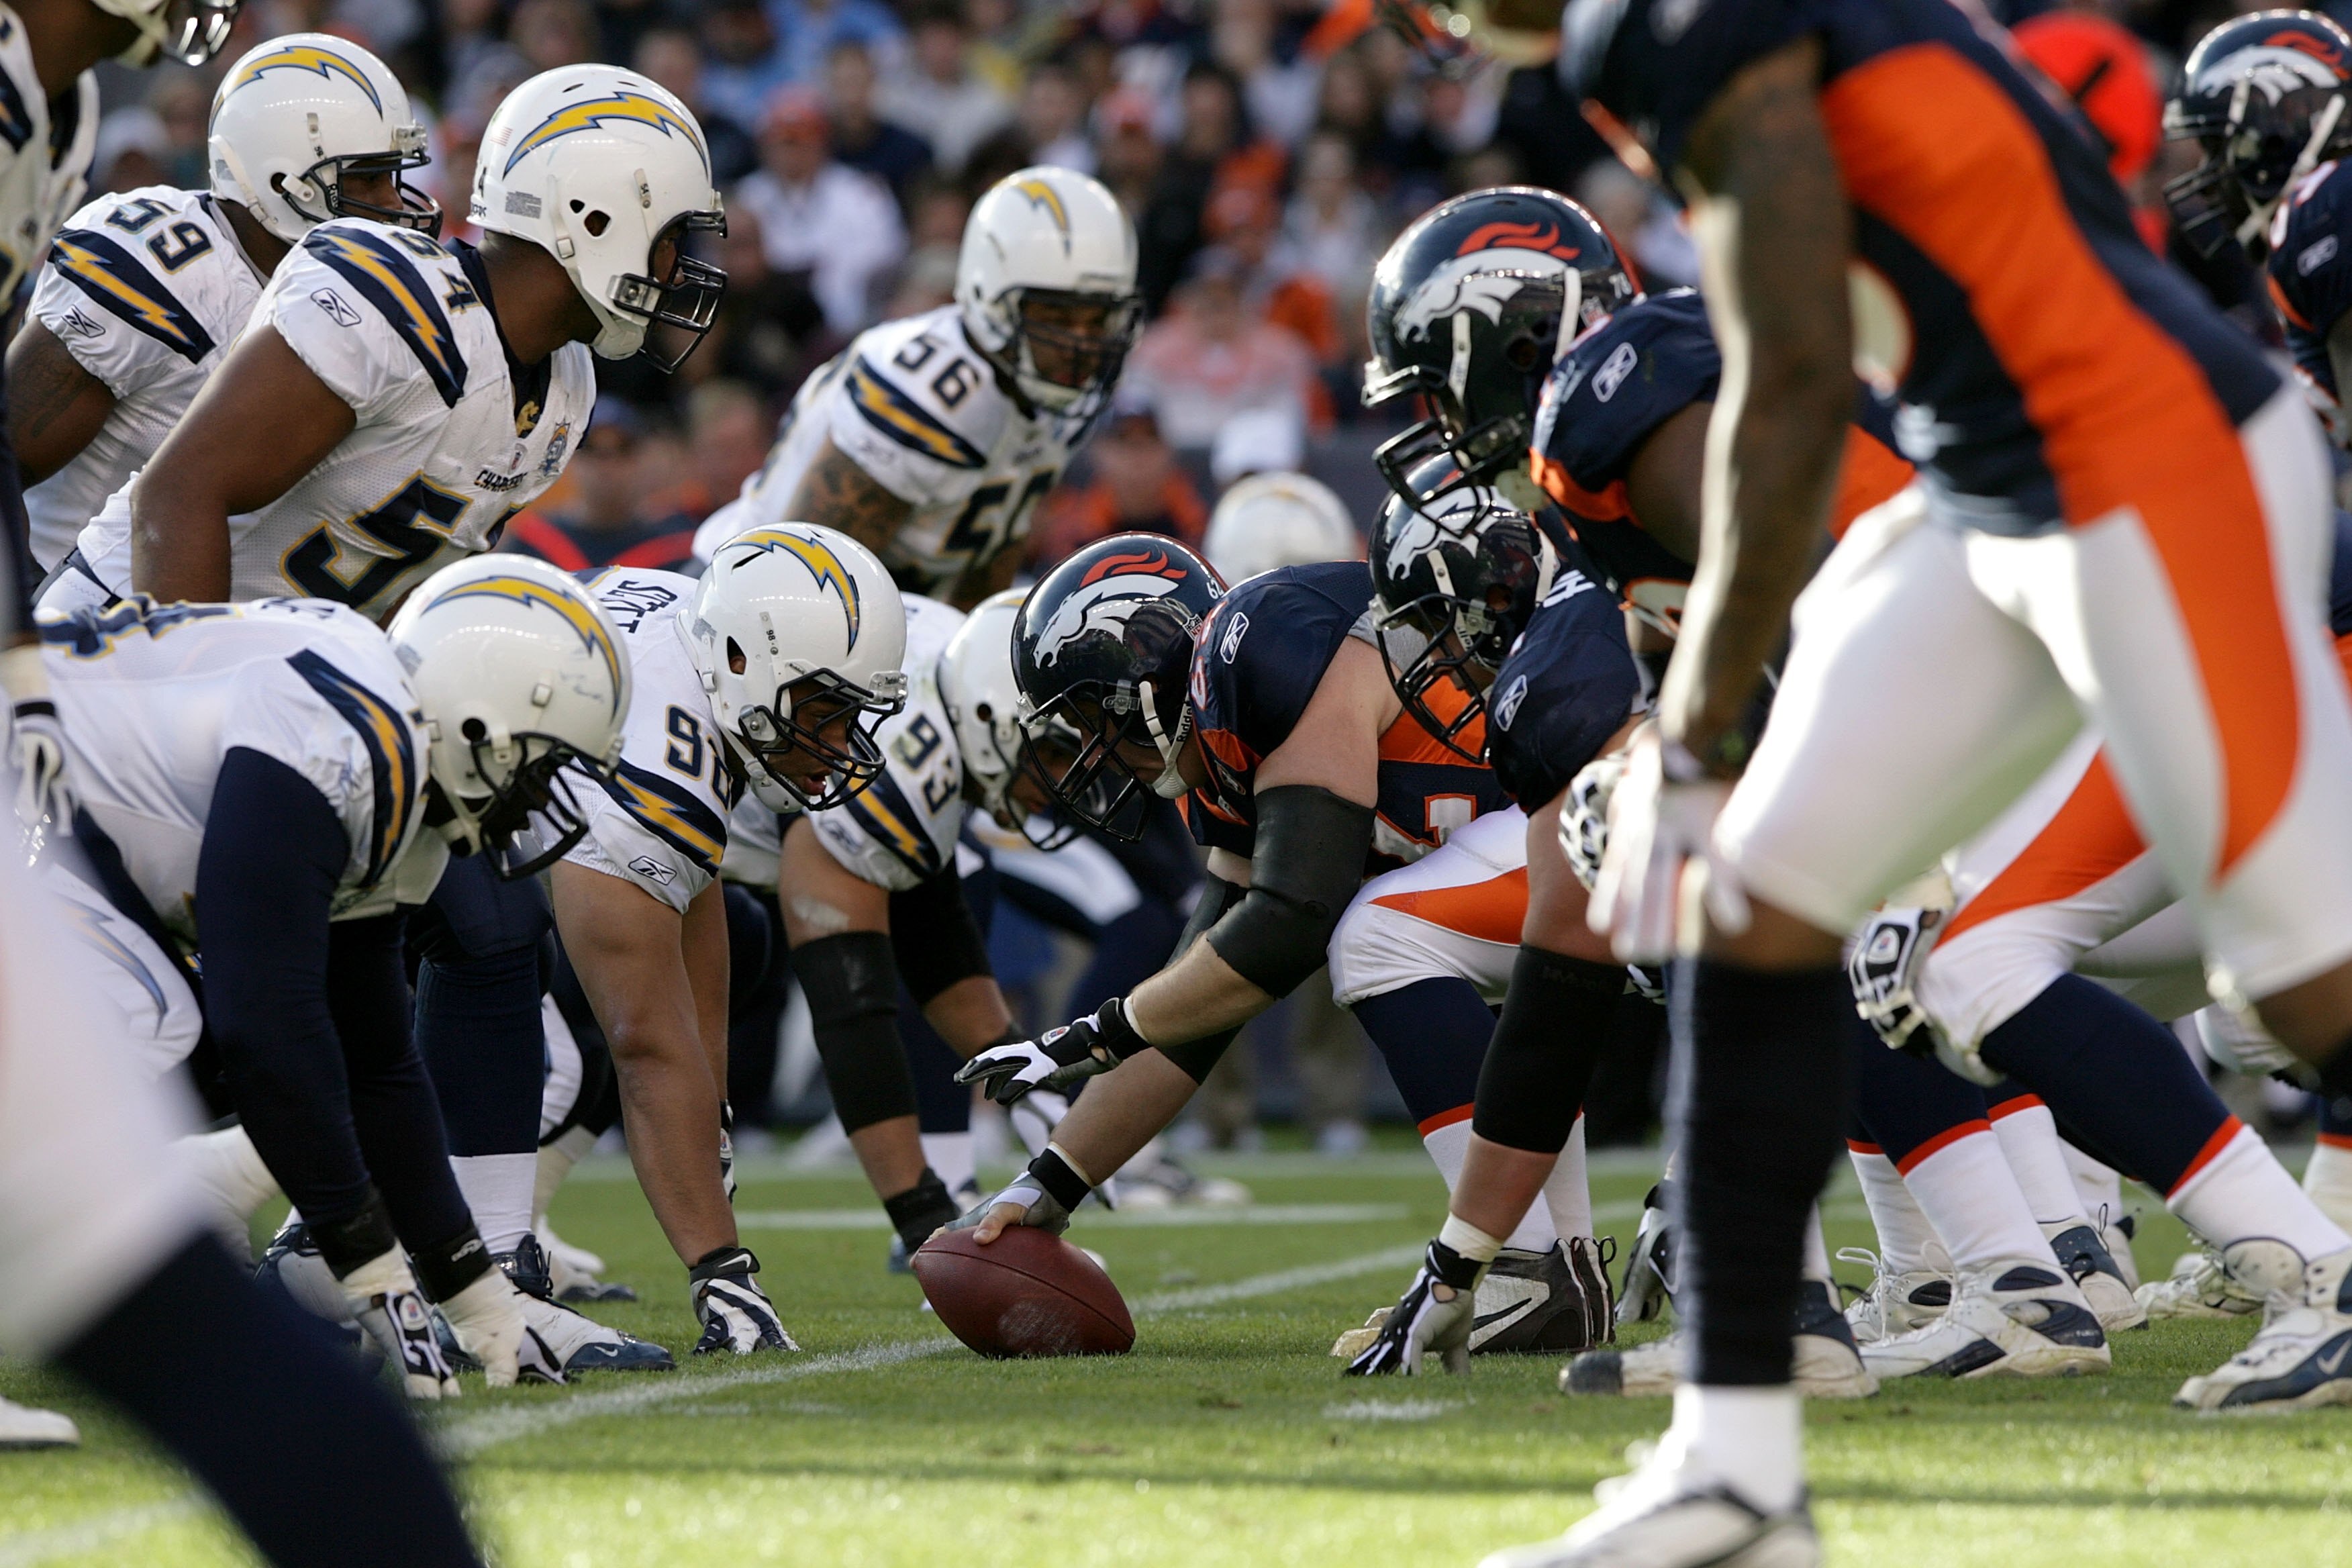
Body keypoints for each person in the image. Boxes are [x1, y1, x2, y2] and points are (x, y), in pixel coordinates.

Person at [1516, 1, 2352, 1563]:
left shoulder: (1687, 24)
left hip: (2139, 447)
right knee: (1751, 899)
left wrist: (1687, 722)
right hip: (1987, 474)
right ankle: (1736, 1473)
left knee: (2308, 992)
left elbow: (1785, 370)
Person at [949, 528, 1601, 1353]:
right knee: (1418, 936)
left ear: (1140, 670)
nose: (1088, 747)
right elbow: (1197, 1006)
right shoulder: (1222, 756)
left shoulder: (1261, 644)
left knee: (1375, 936)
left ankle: (1522, 1258)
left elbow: (1292, 918)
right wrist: (1049, 1180)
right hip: (1564, 856)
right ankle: (1557, 1273)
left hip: (1613, 818)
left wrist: (1094, 1031)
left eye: (1086, 712)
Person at [38, 556, 636, 1398]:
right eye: (537, 769)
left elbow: (377, 1061)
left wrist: (473, 1297)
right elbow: (268, 1028)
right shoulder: (340, 735)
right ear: (480, 719)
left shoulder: (395, 763)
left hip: (51, 817)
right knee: (156, 1016)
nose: (536, 803)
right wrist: (373, 1273)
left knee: (212, 1036)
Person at [552, 524, 907, 1352]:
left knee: (738, 936)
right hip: (385, 826)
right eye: (825, 708)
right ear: (746, 659)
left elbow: (698, 905)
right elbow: (646, 1044)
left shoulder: (697, 631)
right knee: (499, 966)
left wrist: (708, 1110)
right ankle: (480, 1259)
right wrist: (724, 1272)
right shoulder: (668, 750)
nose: (839, 741)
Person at [15, 32, 437, 582]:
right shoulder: (172, 270)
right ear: (283, 181)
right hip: (71, 613)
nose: (392, 203)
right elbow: (9, 456)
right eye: (367, 178)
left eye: (395, 176)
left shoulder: (360, 296)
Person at [697, 164, 1141, 609]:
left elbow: (993, 547)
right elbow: (805, 581)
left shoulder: (1050, 391)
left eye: (1098, 318)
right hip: (750, 603)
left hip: (897, 621)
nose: (1080, 343)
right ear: (989, 294)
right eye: (1057, 318)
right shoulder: (921, 390)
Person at [730, 85, 905, 341]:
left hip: (849, 325)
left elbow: (887, 256)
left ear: (822, 142)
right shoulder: (746, 197)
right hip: (766, 324)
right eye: (783, 141)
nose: (791, 152)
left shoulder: (861, 193)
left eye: (801, 140)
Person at [503, 396, 699, 572]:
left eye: (623, 450)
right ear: (569, 459)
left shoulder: (676, 546)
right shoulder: (534, 542)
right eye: (592, 450)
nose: (607, 466)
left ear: (643, 460)